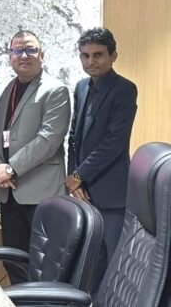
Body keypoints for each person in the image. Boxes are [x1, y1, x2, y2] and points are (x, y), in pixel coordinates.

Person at [0, 31, 70, 284]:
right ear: (9, 56)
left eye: (31, 49)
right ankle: (20, 301)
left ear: (42, 54)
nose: (24, 56)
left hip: (41, 193)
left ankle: (42, 302)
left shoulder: (55, 90)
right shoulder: (2, 91)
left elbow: (49, 139)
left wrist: (10, 169)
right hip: (8, 192)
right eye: (18, 50)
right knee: (13, 260)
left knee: (44, 264)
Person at [67, 27, 137, 283]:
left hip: (111, 191)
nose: (91, 61)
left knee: (113, 262)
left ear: (113, 56)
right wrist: (73, 179)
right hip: (83, 191)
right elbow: (73, 137)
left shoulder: (124, 89)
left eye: (98, 55)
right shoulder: (81, 87)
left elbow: (113, 143)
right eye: (85, 55)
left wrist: (78, 175)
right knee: (89, 261)